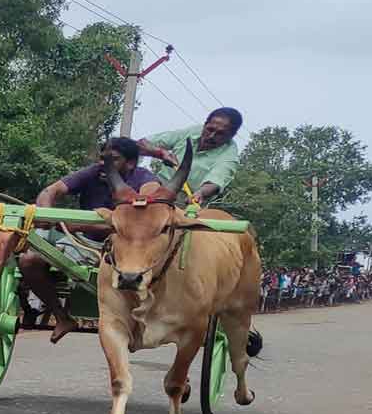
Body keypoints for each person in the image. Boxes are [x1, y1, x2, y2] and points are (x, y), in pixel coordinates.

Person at [18, 137, 158, 343]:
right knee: (29, 261)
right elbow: (50, 191)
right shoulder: (94, 172)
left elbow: (147, 214)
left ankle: (141, 322)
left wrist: (77, 225)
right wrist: (44, 214)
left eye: (114, 160)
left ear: (130, 164)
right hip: (81, 244)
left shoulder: (146, 181)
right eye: (103, 158)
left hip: (129, 250)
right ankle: (62, 317)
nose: (105, 164)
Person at [137, 107, 242, 205]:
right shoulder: (191, 132)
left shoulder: (229, 156)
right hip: (156, 187)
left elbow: (215, 182)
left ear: (231, 135)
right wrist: (160, 152)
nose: (211, 136)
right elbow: (140, 144)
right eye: (210, 129)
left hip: (184, 201)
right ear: (205, 124)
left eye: (220, 133)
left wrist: (200, 193)